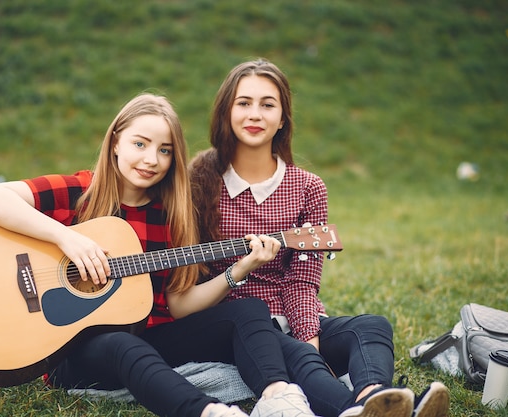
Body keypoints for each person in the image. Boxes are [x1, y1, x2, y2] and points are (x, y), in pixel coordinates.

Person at [0, 93, 321, 417]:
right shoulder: (80, 191)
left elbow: (179, 306)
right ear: (116, 142)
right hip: (73, 351)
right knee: (123, 344)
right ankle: (208, 412)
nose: (151, 160)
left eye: (165, 150)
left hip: (151, 339)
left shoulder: (169, 216)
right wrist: (66, 239)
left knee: (248, 311)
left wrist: (241, 269)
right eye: (140, 144)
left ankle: (281, 403)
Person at [189, 59, 451, 417]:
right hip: (238, 327)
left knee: (372, 326)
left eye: (268, 104)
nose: (255, 114)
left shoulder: (308, 187)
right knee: (297, 354)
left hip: (292, 313)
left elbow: (302, 282)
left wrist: (309, 336)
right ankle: (355, 409)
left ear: (282, 119)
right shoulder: (198, 182)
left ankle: (378, 396)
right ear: (226, 111)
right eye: (243, 102)